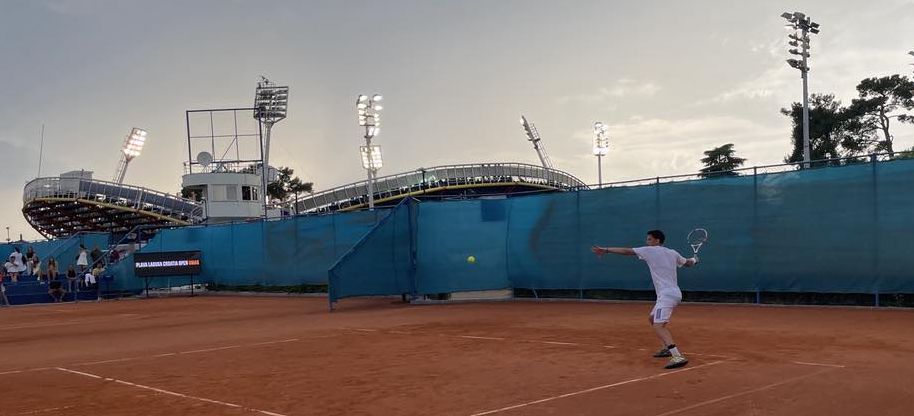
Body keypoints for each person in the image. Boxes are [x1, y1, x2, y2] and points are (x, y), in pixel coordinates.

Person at [592, 229, 698, 370]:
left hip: (667, 295)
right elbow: (688, 263)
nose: (646, 242)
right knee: (653, 319)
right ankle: (666, 348)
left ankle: (677, 356)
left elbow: (626, 251)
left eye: (649, 239)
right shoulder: (673, 253)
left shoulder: (650, 250)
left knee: (658, 326)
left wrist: (606, 250)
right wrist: (695, 259)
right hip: (672, 294)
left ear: (657, 241)